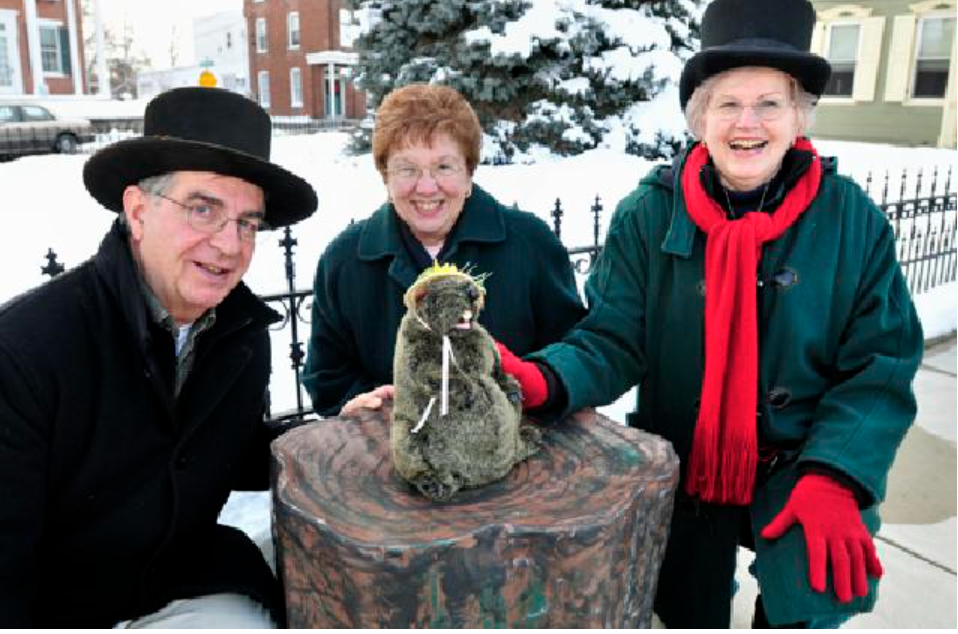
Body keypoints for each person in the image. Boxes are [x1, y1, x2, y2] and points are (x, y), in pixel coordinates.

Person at [501, 0, 924, 627]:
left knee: (808, 591)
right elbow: (614, 338)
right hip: (687, 455)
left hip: (803, 457)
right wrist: (542, 378)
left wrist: (838, 472)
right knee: (682, 604)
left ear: (798, 116)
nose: (747, 123)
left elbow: (881, 364)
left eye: (769, 103)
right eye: (729, 103)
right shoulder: (648, 214)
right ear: (701, 117)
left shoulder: (851, 220)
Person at [0, 87, 317, 627]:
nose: (229, 243)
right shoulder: (26, 349)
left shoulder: (239, 334)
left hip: (187, 585)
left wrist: (326, 436)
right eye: (203, 209)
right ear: (138, 210)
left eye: (247, 223)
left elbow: (225, 449)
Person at [301, 83, 585, 417]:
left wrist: (532, 389)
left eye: (444, 167)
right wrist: (369, 406)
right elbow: (327, 377)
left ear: (469, 172)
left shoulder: (530, 244)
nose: (426, 187)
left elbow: (573, 354)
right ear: (385, 175)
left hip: (515, 446)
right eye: (407, 168)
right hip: (393, 450)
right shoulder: (344, 261)